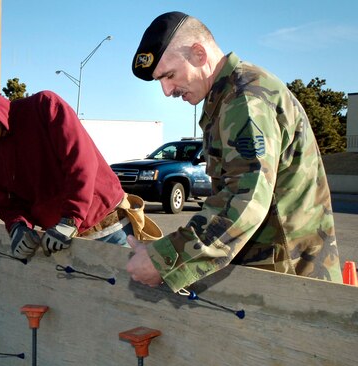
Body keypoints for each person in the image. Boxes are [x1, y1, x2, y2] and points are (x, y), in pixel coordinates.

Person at [126, 11, 343, 292]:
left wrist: (166, 258)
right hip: (273, 270)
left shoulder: (245, 100)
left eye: (169, 75)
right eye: (160, 81)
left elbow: (244, 199)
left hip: (288, 278)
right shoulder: (229, 96)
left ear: (199, 54)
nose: (167, 90)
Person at [0, 76, 141, 259]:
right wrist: (17, 226)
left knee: (129, 295)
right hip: (58, 241)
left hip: (108, 227)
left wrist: (70, 218)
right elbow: (6, 205)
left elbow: (81, 162)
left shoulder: (44, 107)